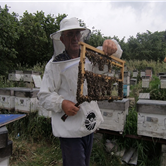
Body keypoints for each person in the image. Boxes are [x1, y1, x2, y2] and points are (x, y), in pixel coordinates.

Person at [38, 17, 122, 166]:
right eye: (70, 34)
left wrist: (112, 45)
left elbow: (114, 55)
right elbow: (44, 95)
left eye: (77, 33)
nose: (75, 38)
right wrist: (62, 103)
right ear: (62, 39)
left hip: (88, 124)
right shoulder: (54, 65)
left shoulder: (90, 56)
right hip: (69, 128)